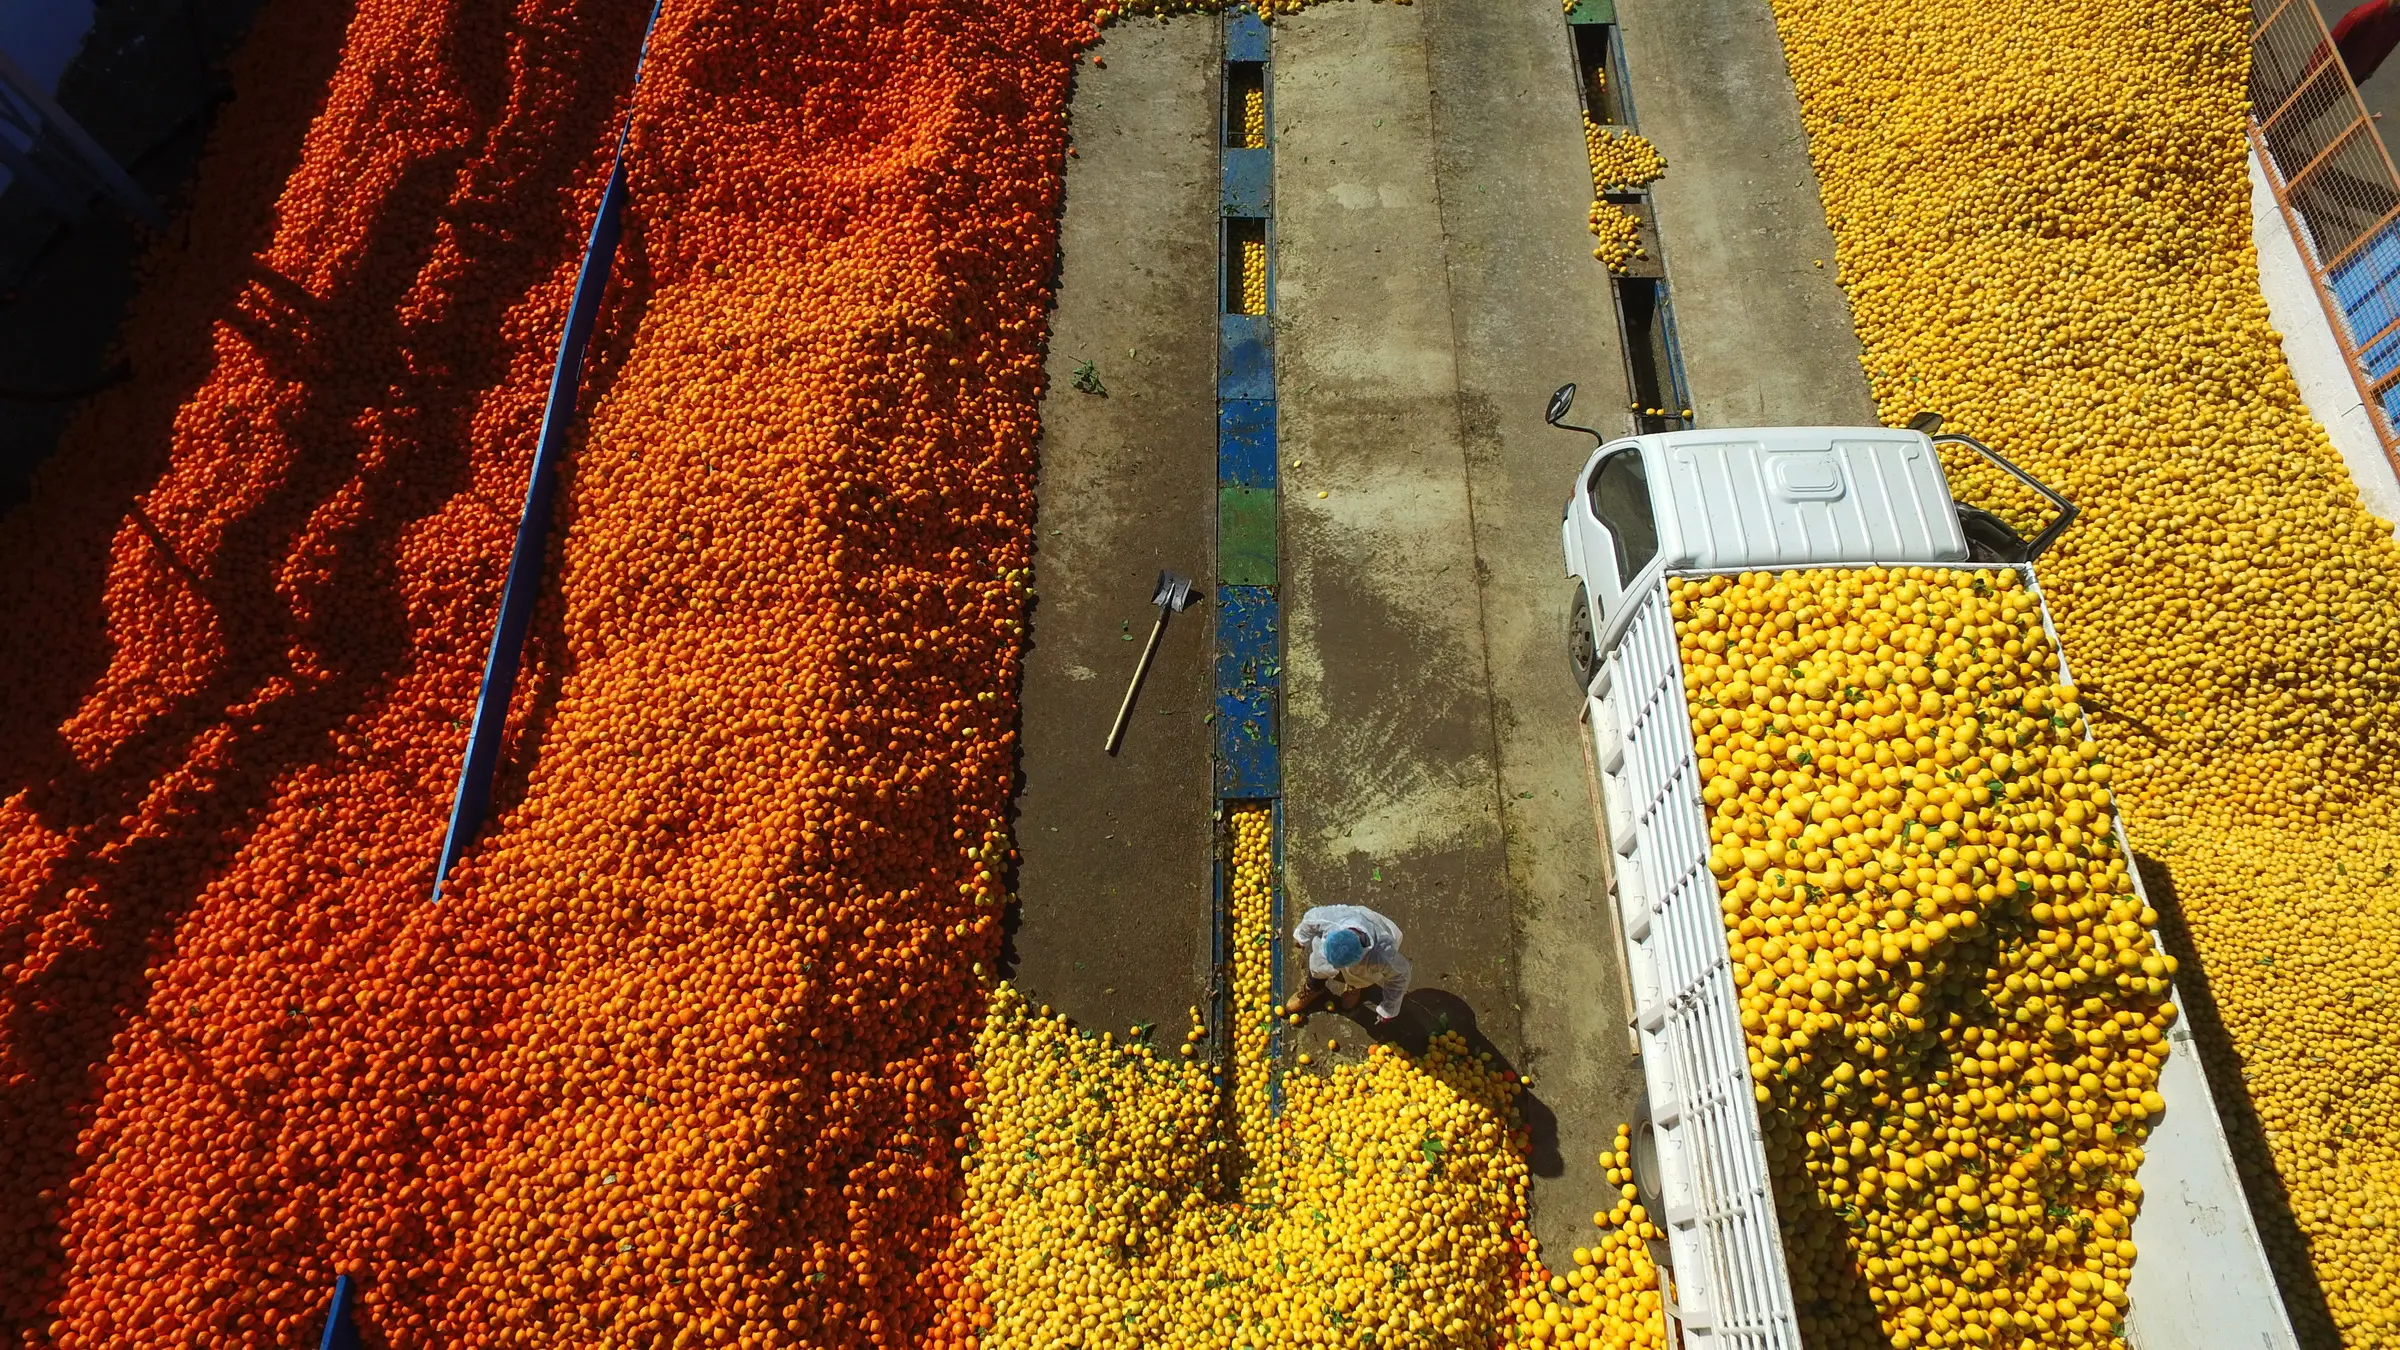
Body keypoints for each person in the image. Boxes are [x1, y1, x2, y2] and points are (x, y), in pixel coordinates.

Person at [1283, 904, 1411, 1023]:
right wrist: (1301, 936)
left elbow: (1400, 976)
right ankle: (1313, 988)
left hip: (1367, 961)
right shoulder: (1334, 919)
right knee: (1318, 965)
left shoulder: (1382, 955)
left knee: (1360, 976)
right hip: (1347, 928)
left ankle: (1354, 988)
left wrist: (1389, 1009)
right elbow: (1312, 918)